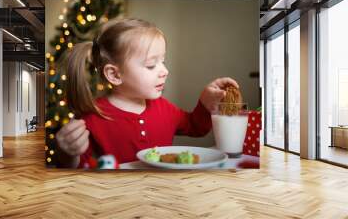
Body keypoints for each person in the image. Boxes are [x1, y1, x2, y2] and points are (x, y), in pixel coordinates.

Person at [55, 18, 239, 168]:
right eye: (151, 65)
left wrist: (205, 104)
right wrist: (68, 155)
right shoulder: (93, 118)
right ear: (114, 74)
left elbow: (195, 127)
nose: (164, 71)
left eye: (163, 61)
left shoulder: (164, 108)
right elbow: (81, 168)